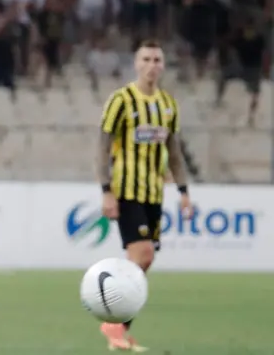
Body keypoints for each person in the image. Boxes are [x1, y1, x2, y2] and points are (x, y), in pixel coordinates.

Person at [96, 40, 193, 352]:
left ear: (163, 66)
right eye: (146, 59)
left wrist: (183, 192)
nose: (152, 65)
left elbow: (174, 152)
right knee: (143, 255)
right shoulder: (121, 100)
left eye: (157, 60)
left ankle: (119, 328)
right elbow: (102, 146)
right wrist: (106, 190)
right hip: (126, 191)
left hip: (154, 194)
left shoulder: (168, 104)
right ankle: (113, 322)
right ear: (136, 64)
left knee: (142, 262)